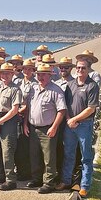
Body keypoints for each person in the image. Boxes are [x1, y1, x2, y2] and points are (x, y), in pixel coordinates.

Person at [24, 63, 67, 193]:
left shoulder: (56, 90)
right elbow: (28, 108)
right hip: (33, 127)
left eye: (43, 74)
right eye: (38, 74)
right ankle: (36, 179)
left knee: (49, 157)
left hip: (47, 128)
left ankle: (49, 182)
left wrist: (54, 127)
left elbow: (62, 111)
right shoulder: (33, 88)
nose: (40, 77)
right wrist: (25, 123)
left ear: (50, 75)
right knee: (34, 155)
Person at [62, 59, 99, 197]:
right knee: (68, 154)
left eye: (83, 68)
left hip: (85, 125)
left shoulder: (92, 86)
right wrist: (68, 120)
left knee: (86, 157)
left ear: (88, 69)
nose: (80, 70)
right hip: (70, 125)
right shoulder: (70, 84)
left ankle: (84, 186)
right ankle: (66, 181)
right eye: (78, 68)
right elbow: (65, 105)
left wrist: (74, 119)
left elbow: (91, 108)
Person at [0, 63, 22, 189]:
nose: (5, 76)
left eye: (7, 73)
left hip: (8, 120)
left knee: (7, 151)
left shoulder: (15, 89)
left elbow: (14, 110)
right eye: (2, 73)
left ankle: (10, 179)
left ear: (12, 74)